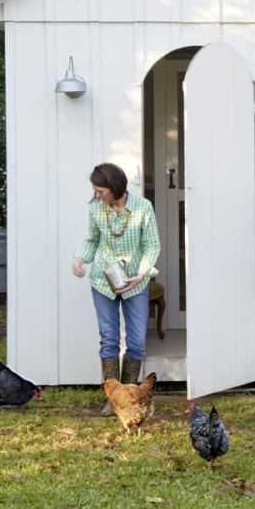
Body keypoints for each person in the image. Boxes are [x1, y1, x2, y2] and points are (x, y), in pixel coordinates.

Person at [71, 162, 161, 398]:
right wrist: (79, 259)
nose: (97, 195)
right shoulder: (96, 210)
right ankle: (113, 399)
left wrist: (142, 273)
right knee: (109, 340)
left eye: (100, 191)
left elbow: (152, 245)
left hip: (136, 282)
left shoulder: (142, 207)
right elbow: (92, 241)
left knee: (137, 342)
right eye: (95, 191)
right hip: (103, 281)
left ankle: (128, 396)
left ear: (115, 186)